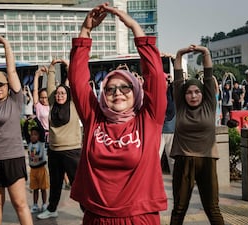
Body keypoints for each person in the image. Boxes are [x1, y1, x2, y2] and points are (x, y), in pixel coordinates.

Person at [68, 3, 167, 224]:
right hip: (97, 217)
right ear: (103, 94)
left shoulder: (149, 118)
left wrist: (134, 28)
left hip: (139, 217)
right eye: (110, 88)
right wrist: (85, 31)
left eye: (125, 87)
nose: (118, 93)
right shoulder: (94, 118)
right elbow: (77, 81)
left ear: (136, 91)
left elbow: (156, 76)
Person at [0, 36, 33, 225]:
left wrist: (6, 46)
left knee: (19, 203)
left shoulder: (15, 100)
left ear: (8, 86)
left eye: (0, 85)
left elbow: (11, 71)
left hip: (13, 158)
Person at [169, 44, 224, 225]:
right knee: (179, 208)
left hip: (207, 160)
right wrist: (179, 53)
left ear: (203, 94)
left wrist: (205, 52)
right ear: (183, 95)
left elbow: (208, 75)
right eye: (189, 92)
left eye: (197, 92)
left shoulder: (209, 105)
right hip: (184, 160)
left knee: (212, 207)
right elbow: (178, 79)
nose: (193, 96)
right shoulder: (181, 106)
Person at [36, 58, 82, 220]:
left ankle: (87, 211)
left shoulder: (73, 103)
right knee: (55, 183)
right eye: (58, 93)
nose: (60, 95)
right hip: (54, 150)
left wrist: (69, 66)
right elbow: (50, 87)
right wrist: (52, 67)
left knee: (77, 183)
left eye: (63, 93)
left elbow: (75, 82)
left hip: (72, 151)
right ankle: (52, 208)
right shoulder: (52, 103)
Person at [23, 116, 49, 213]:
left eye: (35, 134)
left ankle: (44, 204)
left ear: (39, 136)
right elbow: (25, 131)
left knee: (43, 189)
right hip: (33, 170)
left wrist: (35, 119)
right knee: (35, 189)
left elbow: (42, 130)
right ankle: (34, 205)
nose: (33, 136)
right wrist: (26, 122)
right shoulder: (29, 143)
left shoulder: (41, 142)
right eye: (32, 134)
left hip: (41, 169)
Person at [159, 73, 176, 175]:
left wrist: (171, 80)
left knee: (172, 159)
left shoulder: (171, 92)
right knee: (155, 158)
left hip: (170, 130)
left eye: (165, 80)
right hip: (158, 132)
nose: (163, 83)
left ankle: (176, 183)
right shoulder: (157, 93)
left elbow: (176, 85)